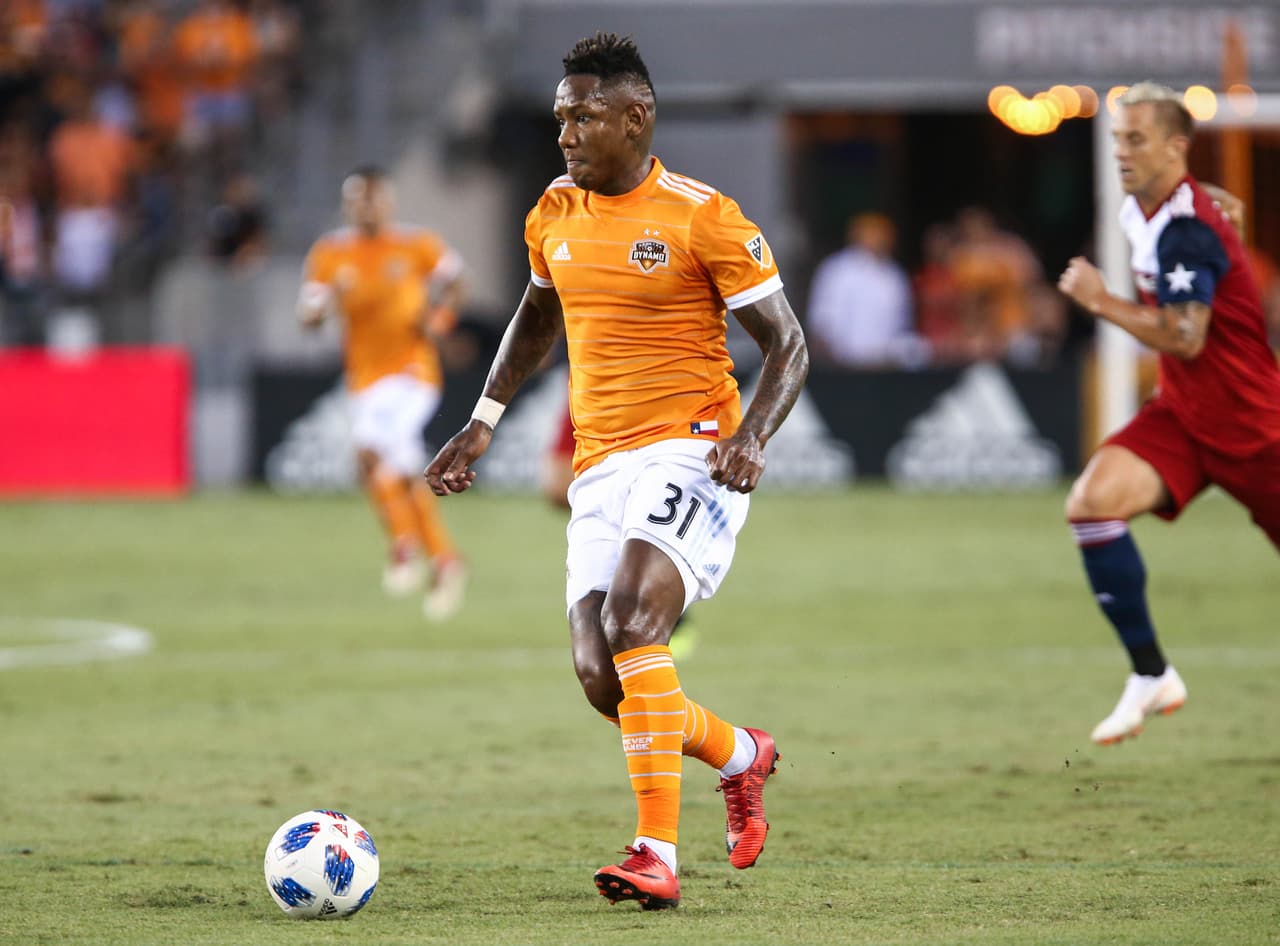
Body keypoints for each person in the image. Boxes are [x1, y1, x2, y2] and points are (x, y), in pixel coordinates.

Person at [425, 33, 808, 909]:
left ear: (636, 118)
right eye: (561, 115)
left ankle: (655, 856)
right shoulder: (554, 212)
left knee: (638, 622)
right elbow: (535, 313)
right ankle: (741, 755)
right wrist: (482, 423)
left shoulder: (703, 215)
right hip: (599, 462)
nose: (565, 133)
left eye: (583, 115)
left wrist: (752, 435)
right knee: (604, 678)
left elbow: (787, 343)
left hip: (694, 445)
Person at [1057, 82, 1280, 746]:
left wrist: (1101, 300)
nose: (1121, 151)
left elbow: (1186, 336)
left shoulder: (1187, 231)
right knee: (1092, 503)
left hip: (1255, 426)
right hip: (1184, 416)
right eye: (1119, 138)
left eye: (1136, 139)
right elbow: (1217, 205)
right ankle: (1151, 674)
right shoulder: (1153, 207)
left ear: (1176, 146)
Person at [298, 165, 468, 620]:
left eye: (373, 198)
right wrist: (319, 311)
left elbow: (455, 280)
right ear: (347, 205)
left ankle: (404, 547)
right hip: (365, 379)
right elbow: (309, 312)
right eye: (358, 199)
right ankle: (443, 560)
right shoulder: (332, 254)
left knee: (375, 452)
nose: (366, 207)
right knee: (382, 465)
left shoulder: (415, 244)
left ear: (388, 203)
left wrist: (439, 321)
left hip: (414, 373)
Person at [805, 211, 917, 367]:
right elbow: (822, 321)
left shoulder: (894, 275)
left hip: (885, 365)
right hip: (843, 365)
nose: (878, 239)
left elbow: (902, 323)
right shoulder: (837, 269)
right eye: (872, 233)